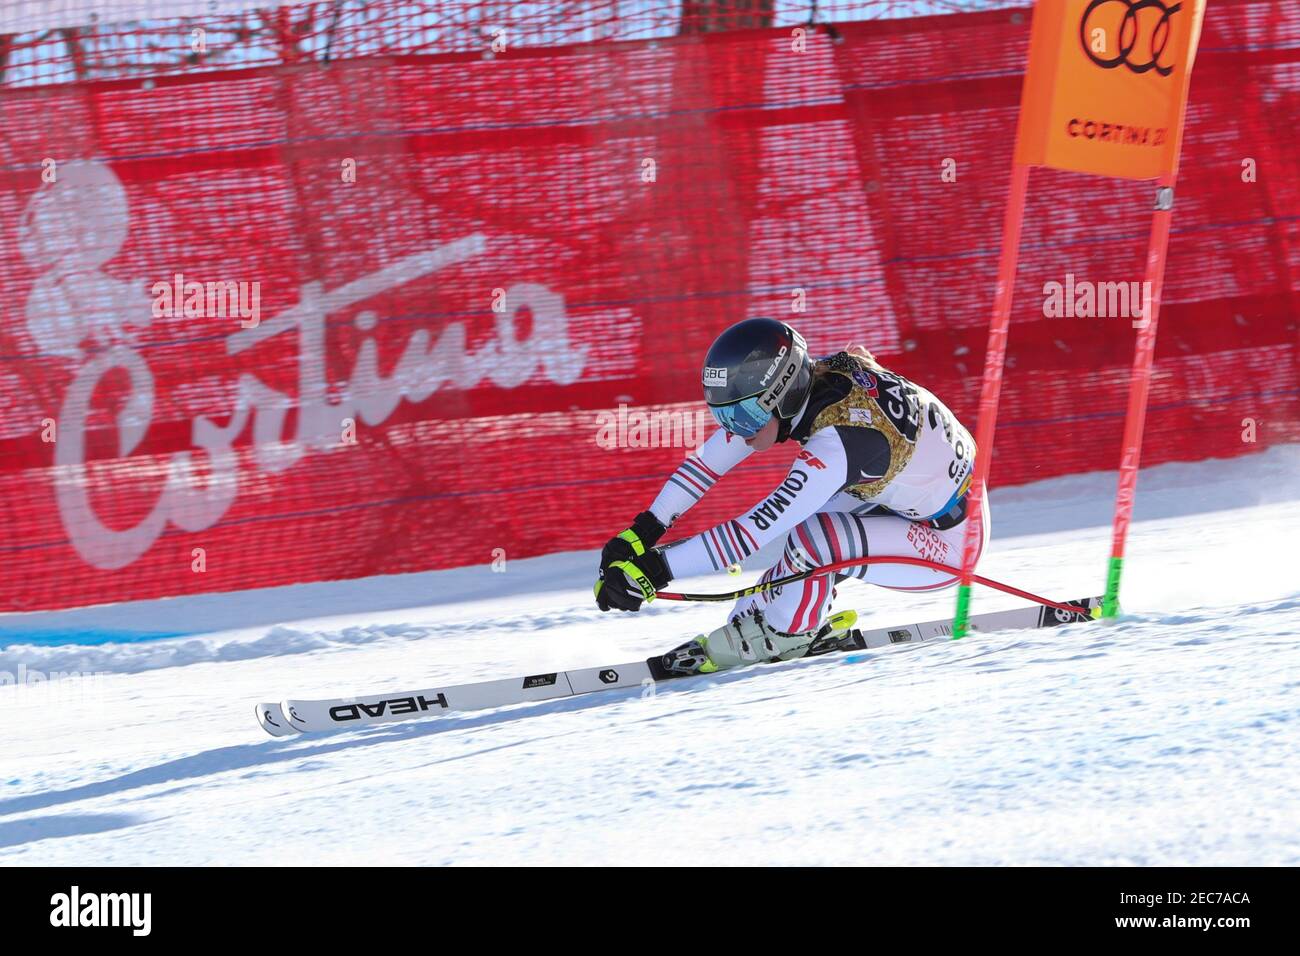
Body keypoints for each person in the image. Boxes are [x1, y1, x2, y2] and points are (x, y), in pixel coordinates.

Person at [594, 317, 988, 675]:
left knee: (812, 538)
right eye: (723, 416)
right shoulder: (810, 383)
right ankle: (783, 617)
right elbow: (706, 465)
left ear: (780, 393)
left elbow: (751, 532)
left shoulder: (836, 443)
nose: (735, 429)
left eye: (742, 417)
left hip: (949, 542)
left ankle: (789, 635)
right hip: (905, 496)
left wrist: (655, 571)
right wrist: (641, 533)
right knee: (756, 602)